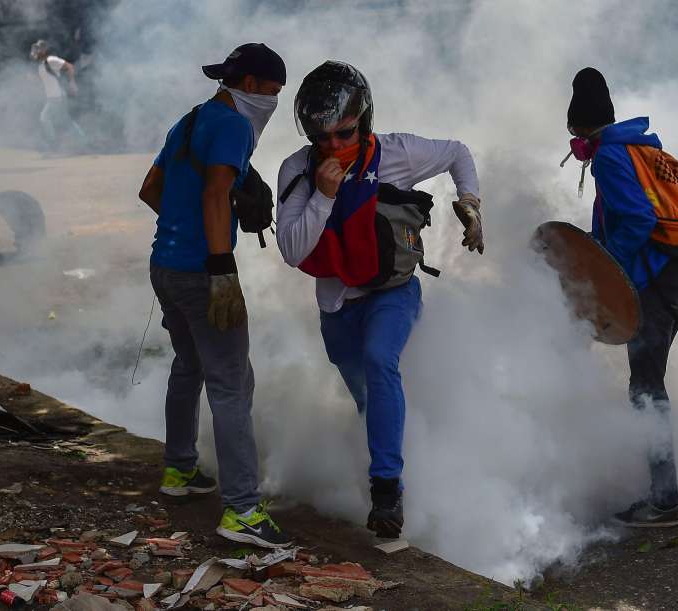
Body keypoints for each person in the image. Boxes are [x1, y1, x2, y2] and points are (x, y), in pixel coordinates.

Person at [276, 61, 484, 538]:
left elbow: (457, 152)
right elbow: (292, 249)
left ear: (364, 121)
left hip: (393, 292)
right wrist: (324, 195)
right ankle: (395, 452)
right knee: (367, 394)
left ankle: (387, 491)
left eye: (344, 134)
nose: (334, 146)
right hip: (336, 305)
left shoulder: (397, 153)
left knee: (378, 361)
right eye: (321, 137)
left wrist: (471, 205)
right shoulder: (298, 170)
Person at [137, 43, 290, 548]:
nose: (272, 102)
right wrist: (220, 265)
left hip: (165, 265)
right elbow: (214, 192)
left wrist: (181, 231)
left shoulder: (189, 120)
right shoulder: (232, 126)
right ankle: (243, 510)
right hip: (203, 273)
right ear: (248, 84)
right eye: (271, 92)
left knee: (189, 365)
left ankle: (179, 471)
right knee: (231, 384)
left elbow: (151, 188)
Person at [564, 67, 678, 527]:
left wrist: (604, 268)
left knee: (647, 389)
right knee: (648, 384)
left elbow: (639, 221)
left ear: (581, 129)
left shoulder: (608, 157)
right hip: (677, 275)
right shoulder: (641, 148)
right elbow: (613, 223)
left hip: (656, 282)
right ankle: (662, 491)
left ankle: (665, 502)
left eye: (574, 133)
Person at [29, 39, 86, 152]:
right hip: (53, 97)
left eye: (39, 48)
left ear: (44, 50)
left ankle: (53, 145)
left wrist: (72, 83)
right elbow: (47, 82)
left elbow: (69, 66)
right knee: (66, 120)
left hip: (57, 97)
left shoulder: (51, 60)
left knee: (44, 118)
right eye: (35, 48)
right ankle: (83, 140)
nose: (36, 51)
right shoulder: (40, 66)